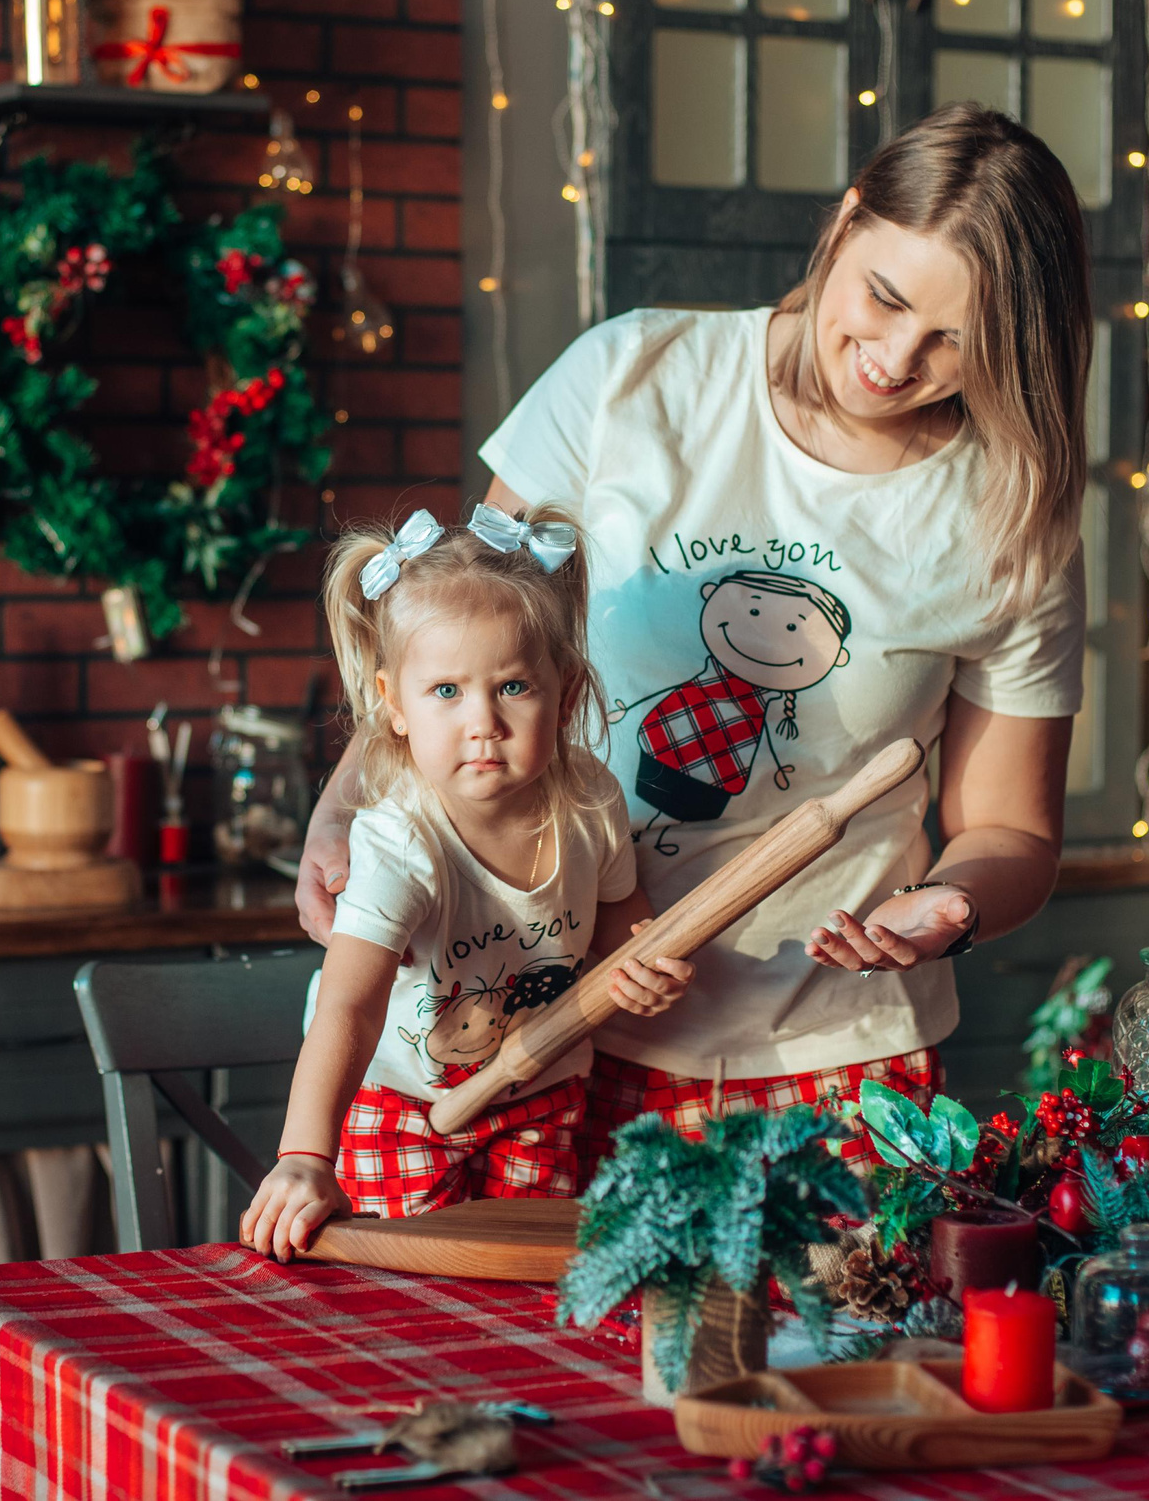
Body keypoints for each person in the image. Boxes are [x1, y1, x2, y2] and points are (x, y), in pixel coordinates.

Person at [296, 103, 1091, 1170]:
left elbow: (1011, 835)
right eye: (885, 298)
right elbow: (454, 630)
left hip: (836, 1054)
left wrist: (947, 905)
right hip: (550, 1023)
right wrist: (348, 800)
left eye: (958, 339)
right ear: (845, 222)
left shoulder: (1009, 512)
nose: (897, 359)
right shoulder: (631, 377)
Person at [241, 504, 695, 1260]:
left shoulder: (592, 804)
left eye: (513, 686)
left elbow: (624, 929)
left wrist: (649, 968)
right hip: (400, 1105)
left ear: (568, 692)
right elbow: (349, 1008)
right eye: (446, 691)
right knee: (408, 1293)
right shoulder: (399, 839)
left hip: (541, 1096)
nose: (482, 721)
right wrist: (304, 1158)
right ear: (394, 706)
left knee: (529, 1286)